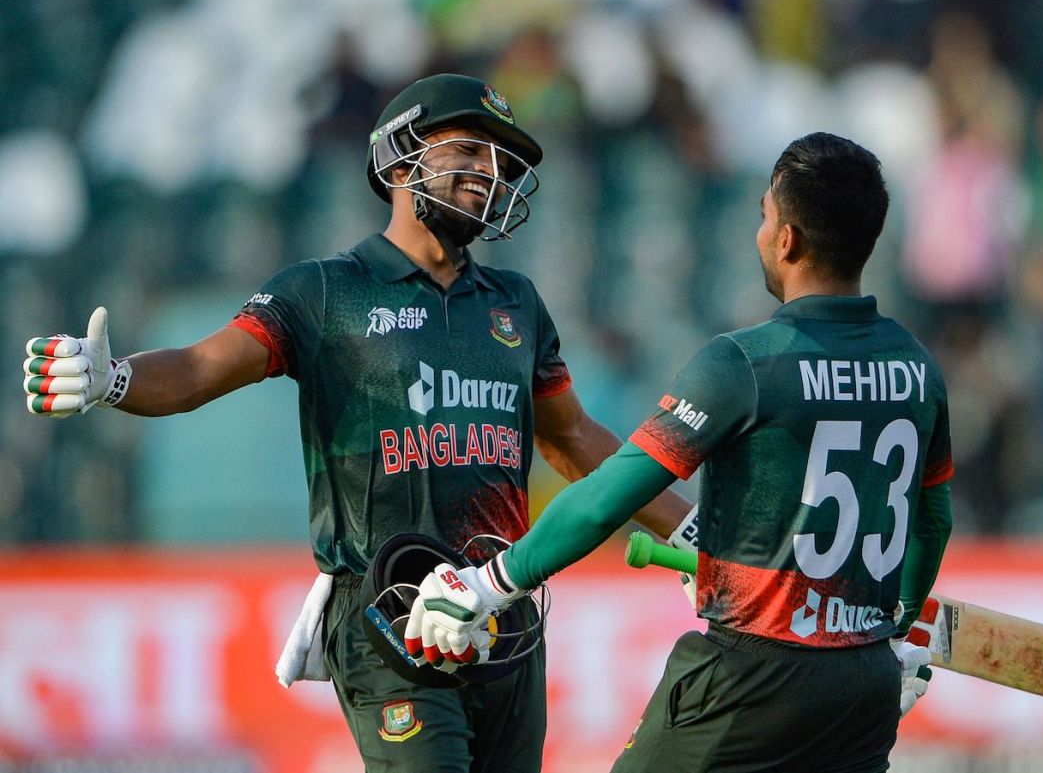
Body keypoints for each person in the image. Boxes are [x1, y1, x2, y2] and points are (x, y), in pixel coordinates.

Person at [21, 73, 695, 772]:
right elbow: (199, 368)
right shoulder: (326, 290)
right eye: (468, 148)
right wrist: (115, 377)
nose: (489, 173)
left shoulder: (517, 301)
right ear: (400, 160)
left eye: (500, 159)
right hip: (387, 612)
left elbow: (576, 438)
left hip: (503, 609)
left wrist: (687, 525)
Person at [405, 132, 955, 772]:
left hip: (752, 677)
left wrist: (490, 582)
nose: (759, 234)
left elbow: (609, 496)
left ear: (788, 240)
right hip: (862, 685)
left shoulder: (744, 363)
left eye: (764, 216)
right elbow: (931, 523)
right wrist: (898, 631)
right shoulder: (918, 368)